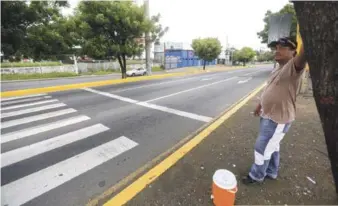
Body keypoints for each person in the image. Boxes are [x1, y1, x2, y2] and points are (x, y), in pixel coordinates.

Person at [242, 37, 307, 184]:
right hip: (268, 115)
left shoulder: (294, 67)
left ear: (293, 53)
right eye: (276, 47)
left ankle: (256, 176)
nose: (277, 50)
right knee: (273, 146)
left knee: (262, 147)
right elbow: (269, 88)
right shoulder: (278, 68)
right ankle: (271, 172)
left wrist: (308, 32)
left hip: (278, 119)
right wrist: (260, 105)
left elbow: (304, 53)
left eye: (282, 47)